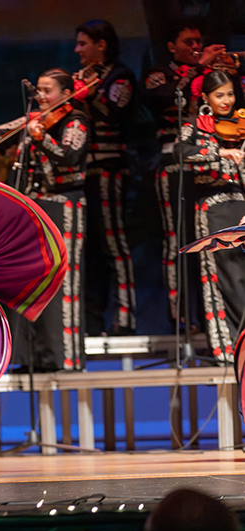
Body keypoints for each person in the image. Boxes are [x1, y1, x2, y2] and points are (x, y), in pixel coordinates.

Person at [0, 68, 90, 371]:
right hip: (34, 207)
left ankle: (63, 356)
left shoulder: (76, 121)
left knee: (62, 281)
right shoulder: (34, 119)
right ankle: (32, 356)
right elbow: (5, 129)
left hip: (64, 206)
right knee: (32, 279)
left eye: (47, 91)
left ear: (66, 95)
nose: (41, 97)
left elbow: (68, 156)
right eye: (38, 91)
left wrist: (42, 141)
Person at [141, 21, 227, 326]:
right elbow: (168, 100)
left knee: (212, 239)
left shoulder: (208, 74)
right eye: (188, 42)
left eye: (198, 42)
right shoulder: (157, 73)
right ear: (172, 47)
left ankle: (213, 317)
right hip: (173, 165)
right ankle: (181, 318)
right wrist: (198, 68)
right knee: (176, 239)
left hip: (210, 164)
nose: (195, 47)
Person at [174, 70, 245, 366]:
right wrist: (220, 152)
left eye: (229, 94)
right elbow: (180, 152)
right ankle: (227, 348)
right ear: (205, 98)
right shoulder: (194, 126)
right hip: (212, 206)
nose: (226, 101)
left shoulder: (242, 125)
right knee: (221, 276)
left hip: (241, 205)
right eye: (219, 95)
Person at [74, 20, 137, 336]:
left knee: (114, 243)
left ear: (101, 45)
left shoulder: (120, 75)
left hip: (110, 172)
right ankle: (92, 320)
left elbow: (114, 111)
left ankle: (125, 318)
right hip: (84, 173)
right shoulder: (83, 79)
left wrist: (85, 94)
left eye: (83, 43)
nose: (77, 50)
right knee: (90, 249)